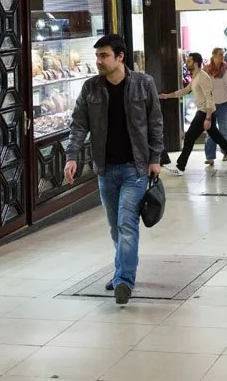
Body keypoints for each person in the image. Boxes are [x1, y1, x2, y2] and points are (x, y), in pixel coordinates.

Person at [64, 34, 163, 305]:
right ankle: (122, 270)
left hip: (136, 168)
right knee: (114, 228)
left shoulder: (144, 84)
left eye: (104, 55)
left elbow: (155, 123)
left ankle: (124, 281)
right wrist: (72, 156)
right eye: (97, 56)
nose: (99, 61)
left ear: (120, 57)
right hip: (105, 170)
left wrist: (155, 158)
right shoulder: (91, 88)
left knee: (126, 222)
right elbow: (78, 125)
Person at [160, 52, 227, 173]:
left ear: (196, 63)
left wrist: (208, 118)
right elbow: (185, 90)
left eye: (189, 61)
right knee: (218, 138)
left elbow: (209, 98)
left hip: (204, 113)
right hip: (205, 112)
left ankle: (180, 167)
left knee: (189, 138)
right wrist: (167, 96)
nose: (186, 63)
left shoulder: (203, 77)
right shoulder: (196, 76)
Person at [204, 47, 227, 166]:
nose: (222, 56)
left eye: (222, 54)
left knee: (224, 128)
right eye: (219, 54)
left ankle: (226, 153)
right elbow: (203, 85)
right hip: (211, 104)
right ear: (213, 55)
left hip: (224, 103)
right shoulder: (207, 69)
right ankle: (210, 156)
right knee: (210, 130)